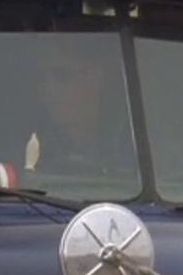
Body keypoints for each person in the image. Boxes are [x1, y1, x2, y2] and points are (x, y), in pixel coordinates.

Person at [27, 47, 139, 180]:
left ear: (94, 76)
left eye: (62, 76)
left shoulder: (133, 143)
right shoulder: (34, 145)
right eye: (41, 80)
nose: (49, 89)